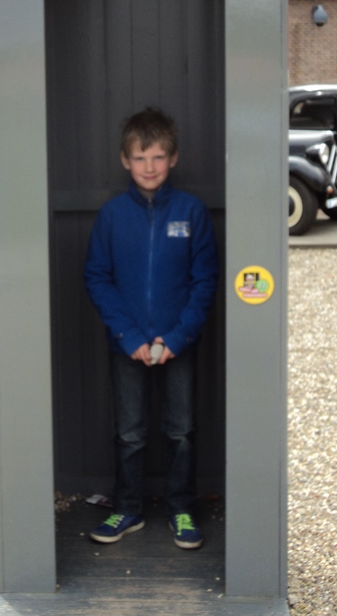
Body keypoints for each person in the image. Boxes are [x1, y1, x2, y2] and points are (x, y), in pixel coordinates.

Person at [83, 107, 218, 549]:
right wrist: (130, 337)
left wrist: (178, 337)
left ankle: (182, 509)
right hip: (129, 345)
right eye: (140, 158)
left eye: (158, 157)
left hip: (179, 343)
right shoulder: (112, 215)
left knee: (181, 431)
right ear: (125, 161)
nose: (149, 167)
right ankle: (127, 509)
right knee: (130, 433)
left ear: (173, 158)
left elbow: (204, 281)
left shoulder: (191, 211)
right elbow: (97, 278)